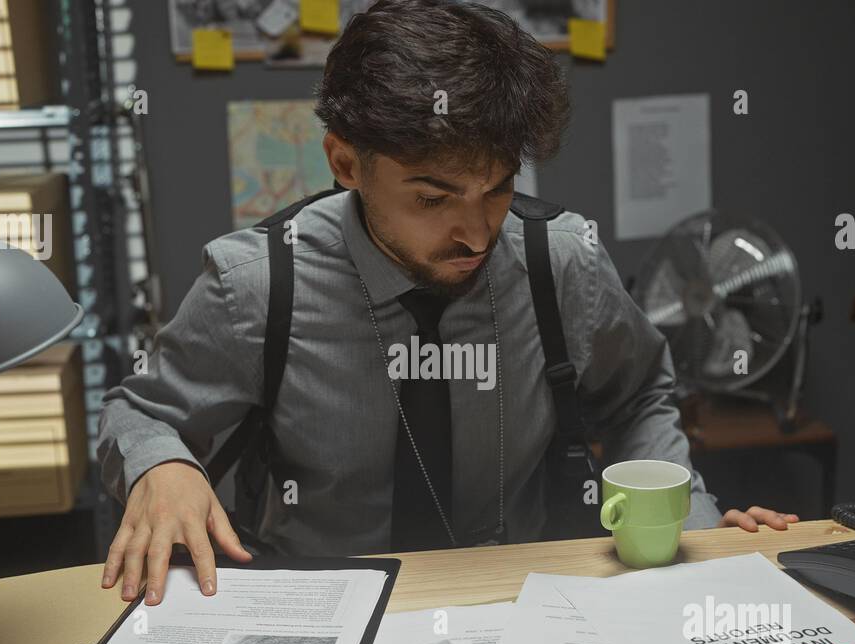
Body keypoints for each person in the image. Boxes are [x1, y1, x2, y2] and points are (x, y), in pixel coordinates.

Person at [97, 0, 797, 606]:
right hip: (321, 609)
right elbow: (141, 410)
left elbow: (641, 394)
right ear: (344, 163)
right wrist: (162, 464)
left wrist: (688, 522)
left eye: (495, 188)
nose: (476, 230)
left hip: (525, 604)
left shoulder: (561, 261)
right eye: (432, 197)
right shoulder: (255, 285)